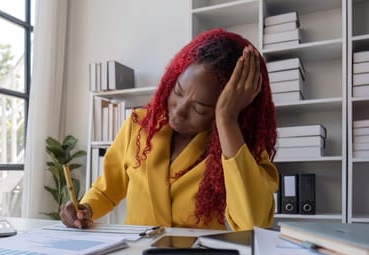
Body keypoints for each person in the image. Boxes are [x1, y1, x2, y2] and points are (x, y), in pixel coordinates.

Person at [60, 28, 279, 231]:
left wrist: (227, 119)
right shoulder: (139, 125)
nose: (179, 111)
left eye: (200, 109)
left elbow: (252, 223)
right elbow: (107, 188)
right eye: (178, 90)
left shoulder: (240, 147)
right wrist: (86, 208)